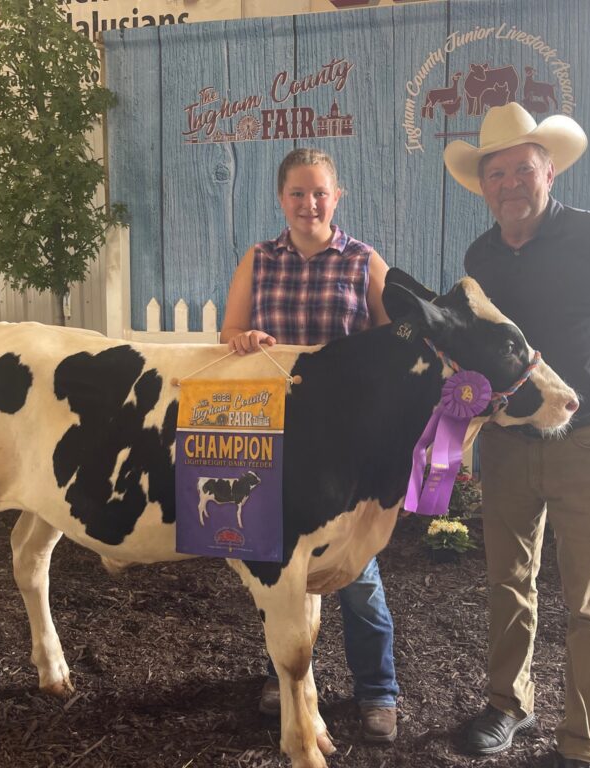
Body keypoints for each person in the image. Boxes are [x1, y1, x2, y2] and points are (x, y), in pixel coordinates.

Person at [442, 103, 590, 768]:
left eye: (523, 169)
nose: (511, 183)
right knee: (507, 582)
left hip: (587, 444)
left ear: (548, 172)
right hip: (509, 442)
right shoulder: (480, 254)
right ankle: (508, 706)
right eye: (497, 173)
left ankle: (583, 742)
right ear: (483, 186)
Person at [219, 147, 400, 743]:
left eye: (320, 192)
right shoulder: (260, 258)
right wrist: (246, 339)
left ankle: (377, 690)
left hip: (343, 442)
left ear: (337, 197)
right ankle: (289, 678)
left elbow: (390, 340)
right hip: (274, 435)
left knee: (354, 575)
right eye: (297, 193)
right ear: (281, 199)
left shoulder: (363, 261)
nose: (309, 203)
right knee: (278, 567)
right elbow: (230, 330)